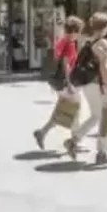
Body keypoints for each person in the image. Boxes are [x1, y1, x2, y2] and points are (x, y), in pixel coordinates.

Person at [65, 12, 107, 166]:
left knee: (96, 116)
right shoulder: (103, 43)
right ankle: (102, 153)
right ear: (105, 27)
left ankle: (73, 141)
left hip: (87, 83)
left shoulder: (89, 42)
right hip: (99, 84)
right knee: (106, 118)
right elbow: (104, 66)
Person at [34, 16, 84, 150]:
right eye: (78, 32)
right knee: (75, 107)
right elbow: (65, 65)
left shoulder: (61, 42)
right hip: (64, 82)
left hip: (56, 82)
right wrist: (69, 84)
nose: (78, 36)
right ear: (73, 31)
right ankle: (74, 140)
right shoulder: (69, 44)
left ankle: (42, 132)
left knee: (64, 108)